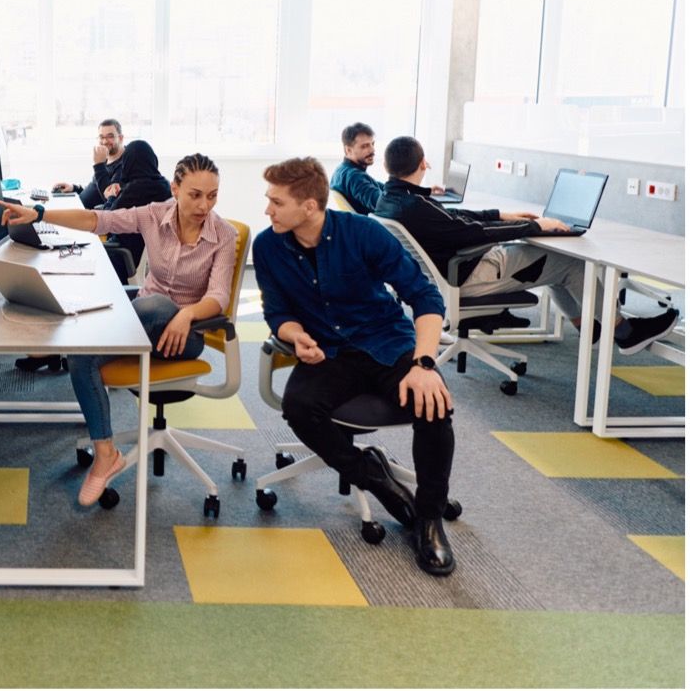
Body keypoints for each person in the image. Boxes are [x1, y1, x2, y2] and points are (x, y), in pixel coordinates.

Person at [254, 156, 456, 576]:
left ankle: (429, 517)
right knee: (299, 408)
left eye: (276, 202)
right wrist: (296, 336)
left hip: (386, 342)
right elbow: (277, 312)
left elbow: (425, 297)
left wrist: (424, 363)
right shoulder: (268, 246)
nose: (268, 209)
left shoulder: (363, 233)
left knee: (434, 405)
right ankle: (373, 476)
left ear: (309, 206)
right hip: (329, 352)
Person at [0, 153, 236, 507]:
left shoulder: (223, 235)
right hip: (141, 323)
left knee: (156, 306)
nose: (205, 205)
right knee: (82, 356)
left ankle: (78, 337)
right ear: (175, 189)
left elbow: (218, 297)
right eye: (195, 195)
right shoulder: (154, 214)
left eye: (212, 195)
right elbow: (98, 219)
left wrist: (186, 315)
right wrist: (39, 214)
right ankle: (106, 453)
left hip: (185, 335)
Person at [374, 136, 679, 354]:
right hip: (465, 274)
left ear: (388, 166)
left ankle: (589, 327)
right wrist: (535, 226)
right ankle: (624, 331)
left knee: (546, 259)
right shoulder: (416, 207)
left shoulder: (392, 200)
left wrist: (502, 215)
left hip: (442, 275)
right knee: (569, 263)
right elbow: (473, 233)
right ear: (423, 163)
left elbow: (456, 218)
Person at [102, 139, 172, 274]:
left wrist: (110, 198)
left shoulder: (132, 192)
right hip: (155, 261)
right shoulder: (166, 187)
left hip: (124, 259)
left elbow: (106, 222)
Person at [51, 118, 126, 209]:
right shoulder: (105, 158)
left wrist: (98, 165)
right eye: (101, 137)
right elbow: (95, 189)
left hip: (90, 214)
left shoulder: (125, 163)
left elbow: (110, 199)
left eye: (110, 136)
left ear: (121, 138)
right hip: (79, 206)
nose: (105, 141)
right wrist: (74, 188)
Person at [329, 122, 384, 214]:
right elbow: (383, 205)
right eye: (364, 146)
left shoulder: (342, 171)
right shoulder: (354, 176)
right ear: (348, 150)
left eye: (372, 144)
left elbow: (377, 186)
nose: (372, 150)